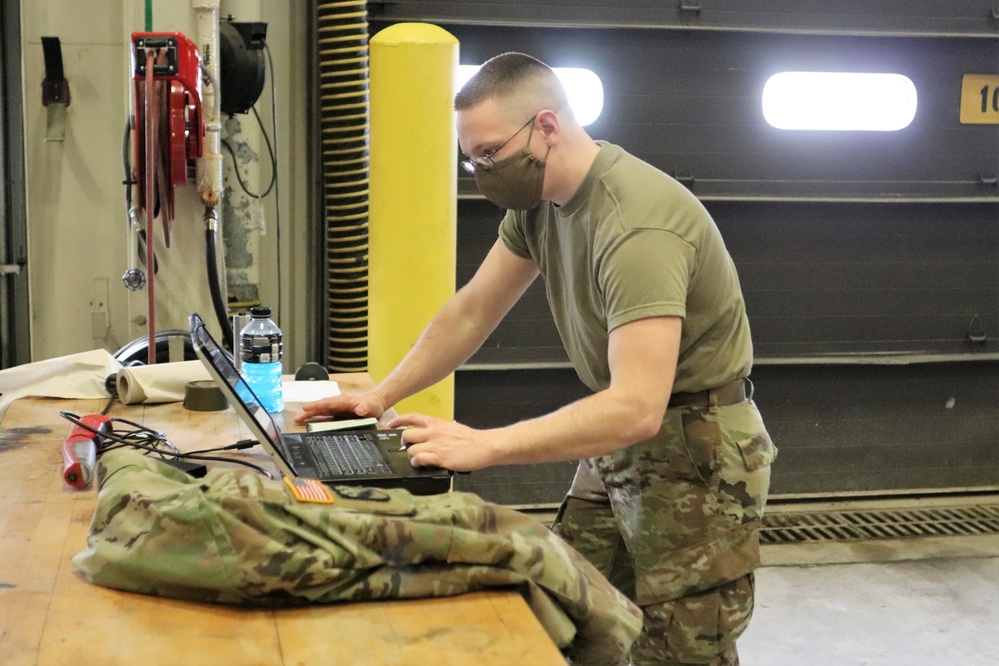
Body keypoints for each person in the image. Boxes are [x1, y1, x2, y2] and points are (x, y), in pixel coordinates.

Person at [297, 52, 777, 666]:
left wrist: (486, 444)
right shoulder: (539, 202)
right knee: (570, 616)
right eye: (471, 158)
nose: (481, 171)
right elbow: (472, 311)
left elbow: (637, 407)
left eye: (490, 154)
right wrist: (380, 395)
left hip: (697, 449)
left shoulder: (637, 229)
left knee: (680, 650)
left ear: (546, 127)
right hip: (621, 443)